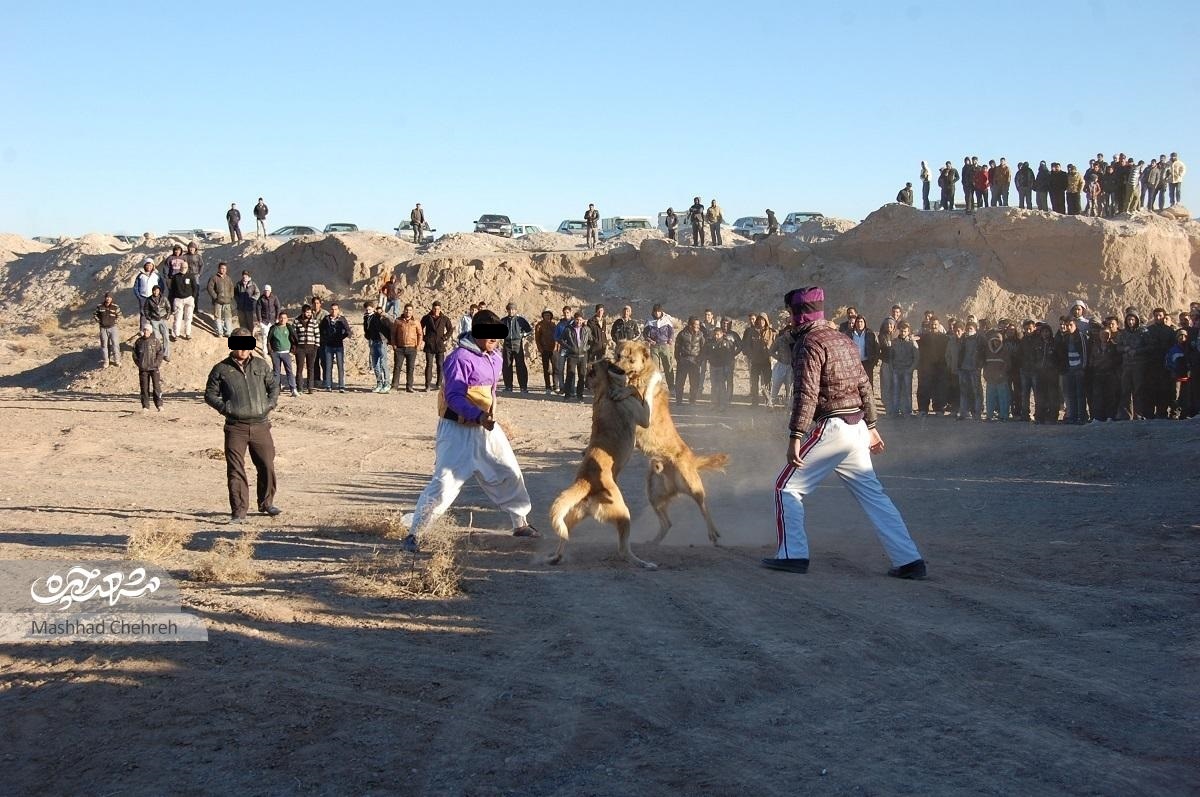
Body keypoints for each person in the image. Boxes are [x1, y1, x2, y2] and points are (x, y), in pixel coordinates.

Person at [762, 286, 926, 579]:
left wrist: (795, 436)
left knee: (786, 488)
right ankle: (910, 560)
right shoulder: (843, 339)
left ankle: (793, 555)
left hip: (833, 427)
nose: (788, 318)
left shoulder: (809, 344)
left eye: (790, 312)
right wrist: (872, 427)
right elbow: (865, 385)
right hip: (857, 427)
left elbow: (806, 393)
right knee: (875, 497)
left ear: (798, 314)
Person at [402, 309, 540, 552]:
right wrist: (478, 415)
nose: (494, 339)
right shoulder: (458, 358)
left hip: (486, 428)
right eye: (489, 334)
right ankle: (415, 533)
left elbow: (491, 391)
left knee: (508, 471)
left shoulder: (495, 357)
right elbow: (454, 396)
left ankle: (520, 523)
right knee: (444, 484)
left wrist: (489, 415)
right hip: (457, 430)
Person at [204, 329, 281, 521]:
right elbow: (210, 395)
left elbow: (274, 387)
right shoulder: (221, 369)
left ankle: (266, 503)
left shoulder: (261, 365)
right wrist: (226, 408)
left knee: (267, 465)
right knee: (235, 469)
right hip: (235, 427)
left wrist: (268, 405)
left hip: (261, 425)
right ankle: (239, 511)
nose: (244, 349)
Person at [420, 301, 454, 391]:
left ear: (440, 309)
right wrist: (424, 338)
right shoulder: (427, 318)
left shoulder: (444, 318)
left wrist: (445, 337)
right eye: (435, 308)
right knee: (429, 365)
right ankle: (427, 385)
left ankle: (438, 384)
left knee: (440, 365)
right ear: (432, 308)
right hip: (429, 344)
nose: (436, 310)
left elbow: (450, 329)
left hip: (440, 344)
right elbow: (420, 328)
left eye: (438, 309)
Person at [319, 302, 352, 392]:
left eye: (336, 309)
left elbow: (348, 330)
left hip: (339, 346)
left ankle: (341, 385)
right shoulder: (326, 319)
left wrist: (342, 337)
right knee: (328, 366)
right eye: (332, 309)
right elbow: (320, 330)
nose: (334, 311)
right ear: (330, 310)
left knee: (340, 366)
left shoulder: (342, 319)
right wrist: (325, 338)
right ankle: (328, 385)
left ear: (338, 310)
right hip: (328, 346)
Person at [389, 303, 422, 392]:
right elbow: (393, 333)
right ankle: (394, 386)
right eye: (407, 310)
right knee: (397, 367)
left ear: (412, 311)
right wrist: (394, 344)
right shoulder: (398, 321)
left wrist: (418, 345)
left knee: (410, 368)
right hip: (400, 348)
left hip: (412, 348)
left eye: (410, 310)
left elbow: (420, 334)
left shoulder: (416, 321)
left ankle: (409, 386)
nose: (408, 312)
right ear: (404, 310)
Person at [559, 312, 592, 401]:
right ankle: (567, 395)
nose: (578, 321)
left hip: (583, 356)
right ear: (574, 319)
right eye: (577, 319)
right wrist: (569, 348)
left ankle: (579, 395)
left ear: (583, 320)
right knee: (570, 375)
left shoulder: (586, 329)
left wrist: (586, 348)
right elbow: (561, 340)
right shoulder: (568, 329)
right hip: (572, 356)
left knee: (582, 376)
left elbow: (591, 341)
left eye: (580, 320)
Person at [501, 302, 532, 392]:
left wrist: (523, 334)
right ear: (507, 310)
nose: (511, 311)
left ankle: (523, 387)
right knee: (507, 365)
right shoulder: (503, 320)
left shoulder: (521, 320)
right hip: (507, 344)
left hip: (518, 344)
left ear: (516, 310)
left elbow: (529, 330)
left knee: (520, 365)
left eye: (513, 309)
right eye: (509, 309)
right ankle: (508, 386)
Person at [133, 322, 164, 411]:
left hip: (154, 368)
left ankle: (159, 405)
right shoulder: (139, 341)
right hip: (143, 369)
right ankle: (145, 406)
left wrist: (156, 363)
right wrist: (140, 364)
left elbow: (160, 353)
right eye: (144, 330)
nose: (146, 332)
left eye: (147, 330)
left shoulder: (155, 341)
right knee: (144, 388)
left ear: (150, 331)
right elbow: (134, 354)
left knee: (156, 387)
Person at [889, 322, 919, 417]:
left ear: (908, 331)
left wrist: (911, 369)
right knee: (896, 391)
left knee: (907, 391)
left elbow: (916, 357)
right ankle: (895, 411)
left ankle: (908, 411)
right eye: (901, 331)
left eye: (905, 331)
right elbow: (891, 357)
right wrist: (892, 368)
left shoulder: (912, 343)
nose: (903, 333)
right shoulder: (894, 342)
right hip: (896, 369)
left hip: (907, 369)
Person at [268, 311, 299, 398]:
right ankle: (276, 390)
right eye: (281, 318)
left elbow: (294, 340)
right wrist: (271, 352)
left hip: (286, 353)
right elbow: (269, 341)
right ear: (278, 318)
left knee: (289, 371)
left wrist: (292, 352)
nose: (283, 319)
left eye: (284, 318)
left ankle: (293, 389)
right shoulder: (273, 328)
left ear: (287, 319)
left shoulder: (289, 328)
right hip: (276, 353)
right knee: (276, 373)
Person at [643, 303, 675, 388]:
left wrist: (670, 339)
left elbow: (671, 332)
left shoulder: (667, 319)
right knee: (655, 369)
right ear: (653, 312)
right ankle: (656, 387)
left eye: (659, 312)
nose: (657, 313)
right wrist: (649, 340)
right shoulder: (649, 320)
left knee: (668, 367)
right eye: (655, 312)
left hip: (665, 346)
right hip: (654, 347)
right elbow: (645, 334)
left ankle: (671, 387)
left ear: (661, 312)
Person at [674, 316, 705, 404]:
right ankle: (679, 401)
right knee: (680, 382)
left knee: (694, 382)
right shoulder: (682, 334)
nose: (698, 326)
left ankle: (692, 400)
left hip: (695, 360)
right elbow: (677, 348)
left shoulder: (701, 334)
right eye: (696, 324)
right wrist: (678, 359)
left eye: (698, 324)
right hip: (683, 359)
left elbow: (703, 349)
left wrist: (700, 360)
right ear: (690, 325)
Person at [363, 301, 392, 393]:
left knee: (383, 363)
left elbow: (390, 323)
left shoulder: (378, 316)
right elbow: (366, 329)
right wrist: (368, 337)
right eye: (367, 309)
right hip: (373, 341)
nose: (368, 311)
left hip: (381, 341)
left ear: (373, 309)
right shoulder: (366, 317)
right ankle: (379, 383)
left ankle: (387, 383)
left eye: (370, 309)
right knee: (375, 364)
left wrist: (388, 339)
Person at [293, 304, 320, 394]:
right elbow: (293, 334)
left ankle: (310, 387)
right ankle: (300, 387)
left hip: (311, 348)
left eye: (309, 312)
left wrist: (316, 346)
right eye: (307, 312)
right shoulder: (296, 321)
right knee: (299, 368)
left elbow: (317, 334)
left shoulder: (314, 321)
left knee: (311, 368)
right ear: (303, 312)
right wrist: (295, 346)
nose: (308, 314)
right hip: (300, 348)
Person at [168, 260, 198, 341]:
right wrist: (172, 299)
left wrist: (193, 297)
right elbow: (172, 289)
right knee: (178, 318)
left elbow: (195, 287)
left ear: (187, 268)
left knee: (188, 317)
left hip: (189, 299)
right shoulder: (175, 277)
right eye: (182, 267)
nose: (183, 268)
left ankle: (187, 334)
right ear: (179, 267)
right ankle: (176, 334)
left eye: (185, 267)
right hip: (178, 299)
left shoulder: (191, 276)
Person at [143, 285, 173, 362]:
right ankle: (157, 353)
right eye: (154, 290)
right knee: (157, 338)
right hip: (154, 320)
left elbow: (169, 307)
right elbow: (145, 309)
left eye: (157, 290)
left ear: (159, 291)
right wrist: (149, 317)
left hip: (163, 319)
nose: (156, 292)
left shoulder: (164, 298)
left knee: (166, 336)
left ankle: (166, 354)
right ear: (152, 291)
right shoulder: (149, 300)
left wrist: (167, 316)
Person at [533, 309, 559, 394]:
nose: (547, 316)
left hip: (553, 350)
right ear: (543, 316)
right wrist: (540, 349)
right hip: (545, 350)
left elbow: (557, 337)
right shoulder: (539, 325)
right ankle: (548, 386)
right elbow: (537, 339)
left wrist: (556, 347)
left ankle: (556, 385)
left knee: (556, 368)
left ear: (551, 316)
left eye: (548, 315)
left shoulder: (554, 325)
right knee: (546, 369)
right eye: (545, 315)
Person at [206, 261, 235, 337]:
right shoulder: (214, 277)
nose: (223, 270)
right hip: (217, 301)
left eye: (225, 268)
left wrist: (231, 296)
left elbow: (232, 288)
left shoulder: (228, 278)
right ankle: (220, 332)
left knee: (228, 317)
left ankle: (228, 332)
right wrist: (215, 297)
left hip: (227, 301)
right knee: (217, 317)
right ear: (218, 269)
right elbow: (210, 288)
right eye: (222, 268)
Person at [94, 292, 122, 368]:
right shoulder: (99, 306)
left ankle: (117, 360)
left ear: (111, 298)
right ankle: (106, 361)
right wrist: (99, 321)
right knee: (104, 345)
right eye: (107, 297)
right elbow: (95, 315)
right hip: (103, 328)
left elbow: (119, 315)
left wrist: (115, 322)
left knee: (115, 344)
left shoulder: (115, 306)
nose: (108, 298)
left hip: (113, 328)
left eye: (109, 297)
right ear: (105, 298)